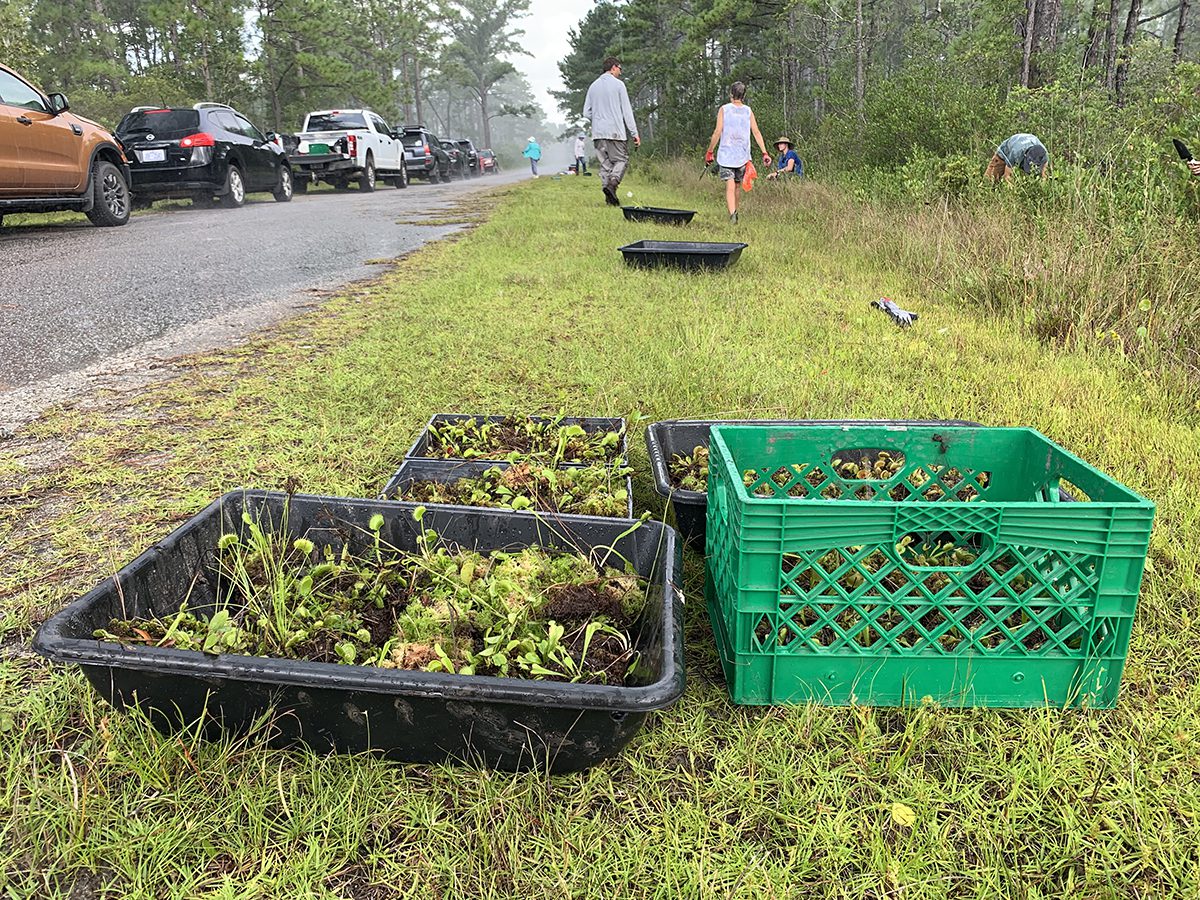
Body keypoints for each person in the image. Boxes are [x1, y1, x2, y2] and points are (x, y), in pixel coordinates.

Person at [704, 81, 771, 223]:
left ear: (731, 94)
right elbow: (756, 132)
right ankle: (735, 212)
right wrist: (764, 152)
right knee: (737, 185)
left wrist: (710, 151)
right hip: (743, 155)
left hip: (726, 155)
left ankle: (733, 214)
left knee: (729, 186)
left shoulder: (724, 109)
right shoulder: (748, 111)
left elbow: (717, 132)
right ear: (744, 96)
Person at [582, 57, 640, 206]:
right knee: (621, 160)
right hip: (615, 132)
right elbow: (627, 112)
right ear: (614, 67)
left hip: (598, 133)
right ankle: (612, 184)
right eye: (620, 69)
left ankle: (609, 199)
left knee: (606, 164)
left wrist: (598, 119)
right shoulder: (619, 85)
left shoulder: (593, 86)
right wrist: (634, 133)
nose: (620, 72)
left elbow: (586, 112)